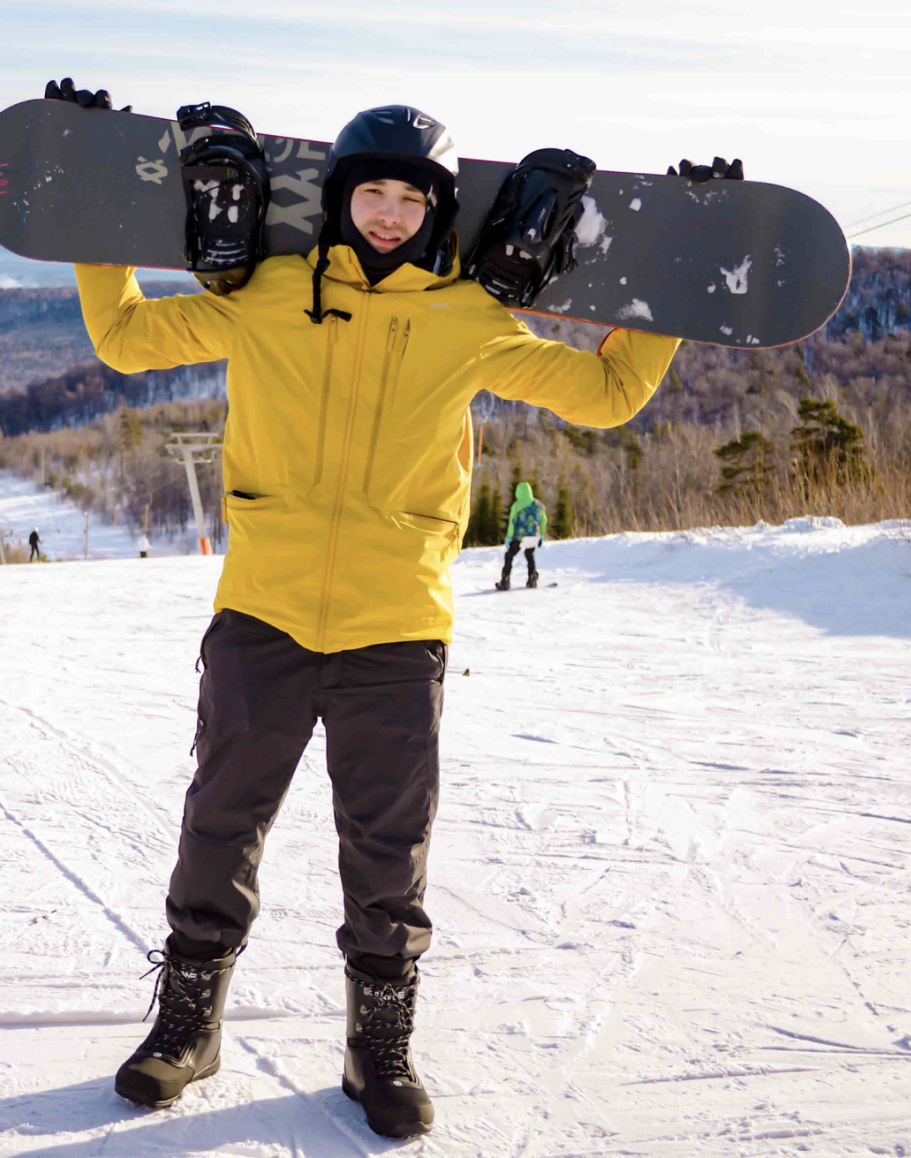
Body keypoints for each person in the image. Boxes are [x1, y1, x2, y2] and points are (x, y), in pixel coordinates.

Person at [54, 81, 700, 1138]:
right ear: (341, 195)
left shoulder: (470, 318)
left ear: (437, 209)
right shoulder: (264, 289)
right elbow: (125, 338)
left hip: (396, 625)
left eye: (411, 197)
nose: (389, 213)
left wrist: (672, 278)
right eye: (371, 192)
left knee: (386, 850)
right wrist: (93, 220)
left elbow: (606, 394)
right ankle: (186, 1027)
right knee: (218, 826)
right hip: (261, 610)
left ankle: (376, 1049)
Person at [496, 481, 547, 590]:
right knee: (529, 554)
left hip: (520, 538)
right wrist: (541, 535)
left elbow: (512, 523)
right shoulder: (539, 505)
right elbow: (544, 520)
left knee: (509, 556)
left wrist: (509, 537)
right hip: (533, 537)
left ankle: (505, 580)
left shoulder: (516, 506)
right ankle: (532, 578)